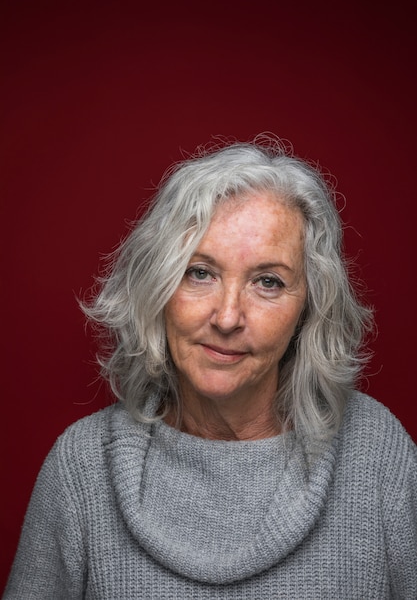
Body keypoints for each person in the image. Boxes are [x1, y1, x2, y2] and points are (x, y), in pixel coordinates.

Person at [4, 138, 417, 599]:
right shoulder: (81, 467)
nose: (226, 317)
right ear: (156, 285)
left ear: (310, 308)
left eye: (268, 282)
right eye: (200, 273)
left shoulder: (378, 455)